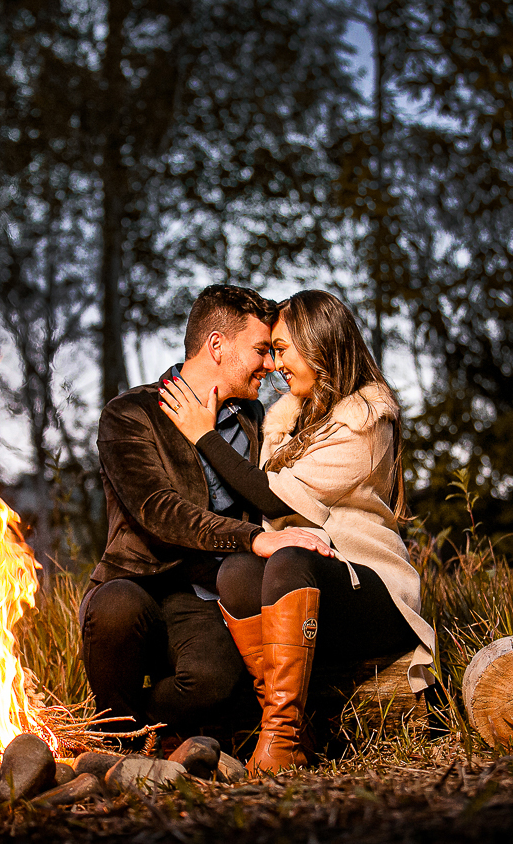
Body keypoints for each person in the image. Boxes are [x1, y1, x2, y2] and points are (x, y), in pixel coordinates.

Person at [159, 289, 437, 774]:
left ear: (318, 345)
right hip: (308, 585)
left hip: (372, 593)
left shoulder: (366, 421)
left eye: (282, 349)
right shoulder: (290, 419)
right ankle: (291, 725)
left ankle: (281, 740)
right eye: (269, 351)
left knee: (286, 559)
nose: (274, 363)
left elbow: (275, 497)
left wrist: (203, 435)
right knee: (240, 571)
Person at [81, 284, 336, 738]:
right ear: (216, 345)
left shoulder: (256, 420)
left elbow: (280, 487)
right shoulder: (130, 413)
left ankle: (140, 731)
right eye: (261, 350)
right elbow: (156, 508)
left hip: (202, 595)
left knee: (214, 683)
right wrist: (253, 539)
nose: (271, 364)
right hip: (137, 582)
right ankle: (114, 745)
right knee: (116, 609)